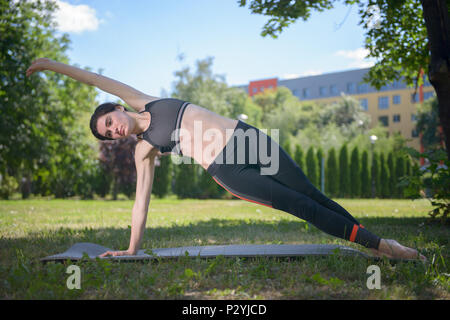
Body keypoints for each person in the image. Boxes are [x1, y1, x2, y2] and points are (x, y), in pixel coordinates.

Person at [26, 58, 426, 261]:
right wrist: (132, 249)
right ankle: (385, 248)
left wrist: (50, 66)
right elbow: (140, 202)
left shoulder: (142, 99)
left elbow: (95, 79)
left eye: (109, 123)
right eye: (107, 134)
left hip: (247, 139)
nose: (113, 131)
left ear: (116, 108)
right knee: (301, 206)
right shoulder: (143, 149)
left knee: (312, 192)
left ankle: (371, 243)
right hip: (227, 169)